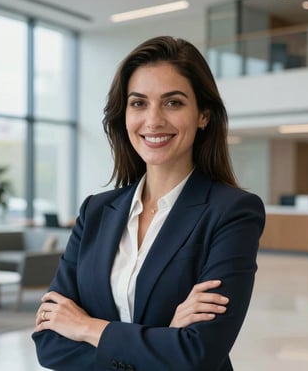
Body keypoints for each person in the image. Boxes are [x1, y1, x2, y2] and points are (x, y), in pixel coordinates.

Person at [32, 36, 265, 371]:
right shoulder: (95, 212)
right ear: (123, 114)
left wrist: (86, 327)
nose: (153, 120)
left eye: (173, 103)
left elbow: (199, 353)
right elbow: (50, 344)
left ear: (203, 115)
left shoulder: (233, 212)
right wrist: (163, 338)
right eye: (138, 103)